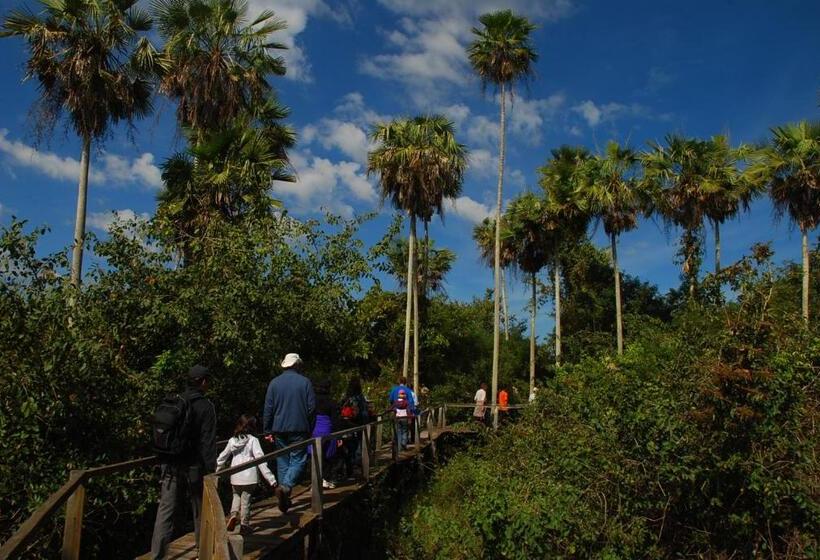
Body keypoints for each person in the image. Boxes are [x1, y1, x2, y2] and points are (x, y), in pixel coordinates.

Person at [150, 365, 216, 560]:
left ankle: (157, 555)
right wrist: (211, 471)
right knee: (200, 509)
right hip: (194, 464)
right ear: (203, 382)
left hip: (170, 463)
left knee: (165, 510)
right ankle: (203, 551)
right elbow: (207, 442)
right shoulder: (206, 406)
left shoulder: (176, 401)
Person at [263, 353, 315, 514]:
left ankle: (284, 499)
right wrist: (309, 426)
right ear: (297, 365)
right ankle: (285, 487)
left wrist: (267, 429)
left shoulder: (274, 383)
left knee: (283, 461)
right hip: (299, 427)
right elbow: (311, 408)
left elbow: (268, 408)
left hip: (279, 428)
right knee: (299, 459)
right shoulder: (305, 382)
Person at [217, 415, 276, 534]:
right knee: (246, 500)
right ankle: (244, 524)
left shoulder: (232, 440)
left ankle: (233, 515)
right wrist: (271, 479)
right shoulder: (253, 440)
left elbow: (223, 457)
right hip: (249, 477)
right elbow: (260, 460)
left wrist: (216, 471)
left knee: (236, 496)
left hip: (235, 475)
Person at [309, 379, 341, 489]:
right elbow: (335, 420)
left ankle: (316, 480)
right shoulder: (331, 403)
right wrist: (338, 436)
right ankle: (326, 478)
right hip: (327, 430)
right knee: (328, 455)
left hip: (314, 430)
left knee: (315, 456)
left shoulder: (311, 401)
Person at [339, 376, 369, 478]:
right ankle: (355, 467)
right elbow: (364, 413)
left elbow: (340, 408)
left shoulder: (345, 396)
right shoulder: (360, 397)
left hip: (346, 425)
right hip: (358, 425)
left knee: (347, 447)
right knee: (357, 447)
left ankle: (347, 469)